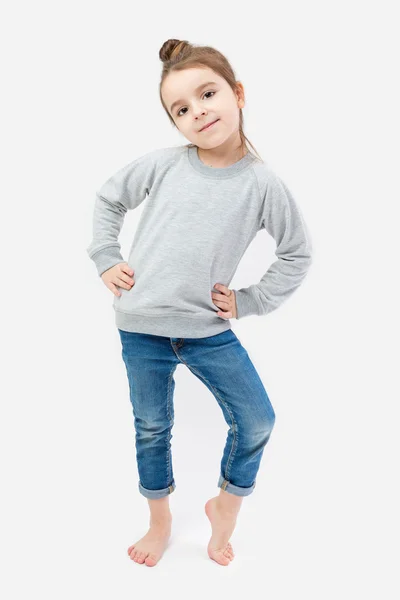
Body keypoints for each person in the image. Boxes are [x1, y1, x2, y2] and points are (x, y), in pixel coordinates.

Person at [86, 38, 313, 568]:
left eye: (207, 94)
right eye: (181, 109)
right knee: (151, 426)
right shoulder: (165, 165)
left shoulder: (262, 184)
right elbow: (108, 198)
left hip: (207, 329)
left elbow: (297, 253)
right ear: (176, 124)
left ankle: (225, 506)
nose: (197, 112)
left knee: (257, 420)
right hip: (140, 325)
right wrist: (104, 256)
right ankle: (159, 521)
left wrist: (250, 300)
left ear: (237, 93)